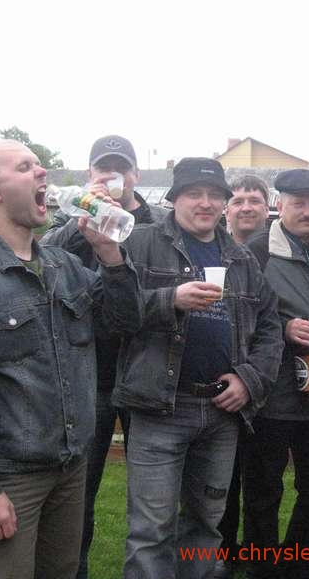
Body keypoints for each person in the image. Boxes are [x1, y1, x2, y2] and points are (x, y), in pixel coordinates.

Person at [0, 140, 143, 579]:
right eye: (25, 167)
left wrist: (110, 254)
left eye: (40, 165)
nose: (42, 172)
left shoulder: (64, 265)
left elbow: (126, 320)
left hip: (71, 468)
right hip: (9, 477)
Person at [112, 157, 283, 579]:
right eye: (194, 194)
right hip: (159, 408)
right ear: (174, 199)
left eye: (214, 195)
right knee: (151, 529)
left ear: (223, 203)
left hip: (221, 413)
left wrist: (249, 380)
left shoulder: (240, 258)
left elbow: (270, 328)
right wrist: (169, 299)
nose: (205, 203)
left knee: (207, 524)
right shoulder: (141, 243)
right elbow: (110, 311)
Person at [40, 134, 168, 579]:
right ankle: (74, 570)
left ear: (135, 175)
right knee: (79, 491)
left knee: (152, 494)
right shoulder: (71, 217)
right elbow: (44, 258)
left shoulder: (157, 221)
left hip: (144, 367)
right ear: (90, 174)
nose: (113, 176)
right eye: (103, 169)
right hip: (88, 372)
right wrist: (85, 216)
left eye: (121, 168)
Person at [243, 169, 309, 579]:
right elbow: (238, 313)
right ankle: (262, 567)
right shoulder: (257, 251)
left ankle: (294, 562)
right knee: (263, 491)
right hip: (271, 394)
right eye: (298, 203)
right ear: (279, 204)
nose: (308, 212)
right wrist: (283, 328)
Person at [215, 173, 272, 579]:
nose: (247, 207)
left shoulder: (280, 251)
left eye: (255, 200)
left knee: (263, 482)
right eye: (238, 200)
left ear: (269, 207)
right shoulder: (211, 251)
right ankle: (222, 553)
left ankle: (259, 558)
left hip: (269, 382)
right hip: (223, 381)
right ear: (226, 210)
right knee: (221, 481)